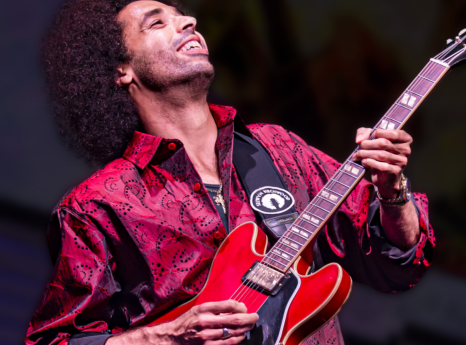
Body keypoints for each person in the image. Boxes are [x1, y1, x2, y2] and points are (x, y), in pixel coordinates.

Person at [26, 0, 435, 344]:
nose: (188, 22)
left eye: (184, 16)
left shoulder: (279, 149)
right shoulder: (96, 204)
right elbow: (56, 341)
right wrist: (166, 335)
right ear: (121, 71)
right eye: (157, 22)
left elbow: (395, 263)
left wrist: (392, 191)